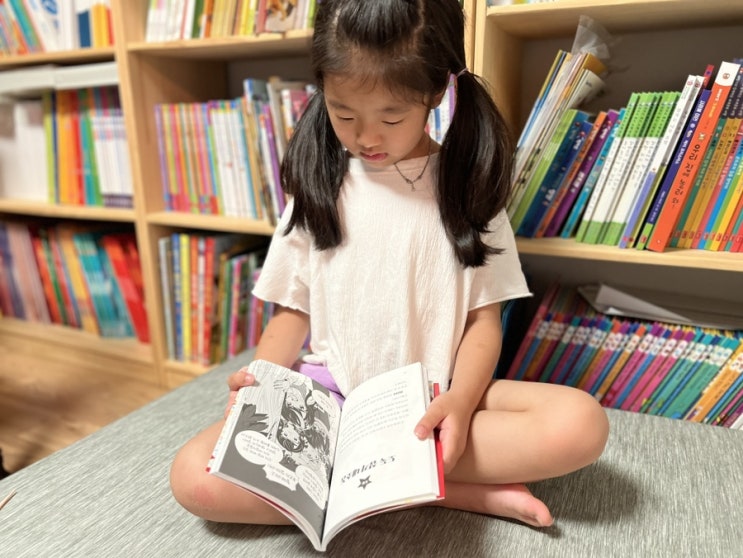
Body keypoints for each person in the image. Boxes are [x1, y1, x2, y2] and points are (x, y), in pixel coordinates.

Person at [170, 0, 609, 529]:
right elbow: (292, 312)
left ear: (436, 92)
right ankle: (442, 490)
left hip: (432, 401)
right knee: (195, 477)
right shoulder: (319, 186)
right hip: (331, 400)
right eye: (344, 114)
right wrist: (260, 387)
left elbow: (483, 322)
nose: (367, 137)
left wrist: (461, 403)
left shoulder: (466, 189)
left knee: (579, 424)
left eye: (391, 117)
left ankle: (372, 480)